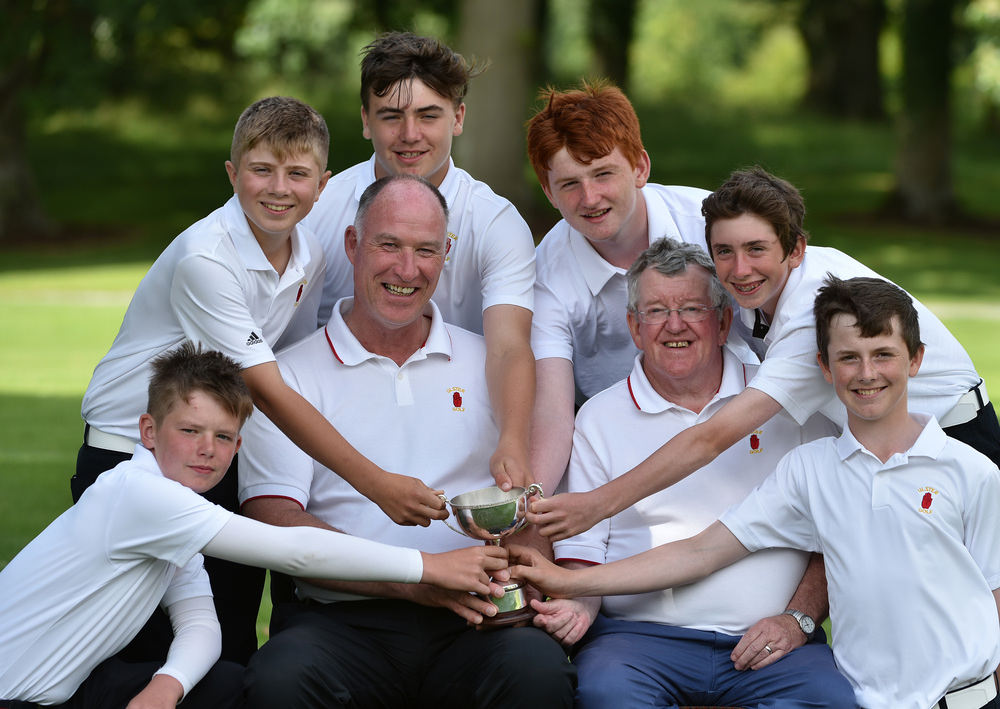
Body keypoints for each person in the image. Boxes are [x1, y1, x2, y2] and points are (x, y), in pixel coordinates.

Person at [74, 96, 449, 664]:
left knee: (229, 640)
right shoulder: (206, 258)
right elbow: (271, 391)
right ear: (232, 174)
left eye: (297, 173)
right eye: (261, 170)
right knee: (138, 648)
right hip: (132, 454)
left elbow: (293, 364)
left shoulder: (312, 253)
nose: (279, 188)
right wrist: (378, 484)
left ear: (321, 185)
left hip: (211, 451)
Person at [511, 275, 1000, 709]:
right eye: (848, 358)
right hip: (867, 694)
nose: (866, 373)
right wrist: (569, 584)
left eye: (883, 355)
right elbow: (702, 551)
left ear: (916, 360)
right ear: (824, 369)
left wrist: (798, 619)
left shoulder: (972, 472)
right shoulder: (811, 470)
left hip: (962, 697)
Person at [0, 343, 507, 709]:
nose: (207, 449)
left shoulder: (175, 519)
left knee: (223, 686)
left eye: (224, 436)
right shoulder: (138, 495)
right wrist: (430, 566)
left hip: (63, 690)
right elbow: (295, 553)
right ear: (149, 431)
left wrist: (165, 687)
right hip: (15, 691)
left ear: (238, 447)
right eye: (190, 431)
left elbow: (200, 626)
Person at [238, 174, 576, 708]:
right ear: (353, 245)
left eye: (425, 250)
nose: (406, 269)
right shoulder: (289, 378)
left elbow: (526, 499)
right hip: (344, 620)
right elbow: (275, 516)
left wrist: (528, 562)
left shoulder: (489, 363)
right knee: (279, 677)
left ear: (446, 255)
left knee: (537, 670)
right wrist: (414, 579)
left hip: (477, 617)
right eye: (388, 245)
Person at [529, 166, 997, 540]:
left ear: (795, 249)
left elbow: (713, 437)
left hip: (955, 438)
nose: (740, 269)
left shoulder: (812, 313)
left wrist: (597, 505)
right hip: (880, 440)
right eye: (725, 252)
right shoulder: (760, 291)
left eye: (756, 249)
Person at [535, 239, 853, 708]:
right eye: (657, 311)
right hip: (638, 642)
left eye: (692, 308)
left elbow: (832, 537)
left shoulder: (785, 402)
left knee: (828, 700)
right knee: (607, 695)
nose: (675, 325)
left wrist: (798, 620)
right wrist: (577, 607)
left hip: (772, 643)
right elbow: (583, 552)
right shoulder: (599, 418)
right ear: (634, 328)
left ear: (724, 322)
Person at [302, 31, 536, 492]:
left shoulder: (495, 223)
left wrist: (512, 439)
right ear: (366, 121)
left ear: (458, 118)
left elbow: (509, 347)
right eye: (391, 116)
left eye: (429, 116)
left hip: (453, 416)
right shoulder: (317, 208)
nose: (410, 135)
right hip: (333, 421)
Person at [523, 80, 754, 496]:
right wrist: (529, 501)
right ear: (548, 191)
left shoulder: (714, 225)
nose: (590, 197)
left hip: (740, 421)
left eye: (603, 174)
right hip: (622, 446)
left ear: (640, 168)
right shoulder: (544, 276)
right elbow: (553, 412)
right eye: (570, 184)